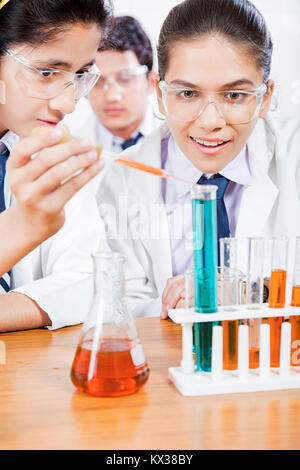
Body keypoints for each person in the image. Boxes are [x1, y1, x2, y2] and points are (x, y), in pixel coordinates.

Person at [96, 0, 300, 319]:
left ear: (265, 97)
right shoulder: (122, 179)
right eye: (188, 94)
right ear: (160, 94)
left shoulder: (294, 155)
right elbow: (122, 301)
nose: (209, 121)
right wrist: (177, 306)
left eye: (234, 95)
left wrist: (246, 292)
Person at [0, 0, 111, 332]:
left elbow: (88, 280)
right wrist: (23, 227)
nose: (68, 104)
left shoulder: (49, 147)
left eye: (79, 75)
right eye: (46, 72)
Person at [65, 15, 159, 153]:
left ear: (151, 82)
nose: (111, 96)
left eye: (125, 78)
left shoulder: (179, 141)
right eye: (97, 81)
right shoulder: (70, 150)